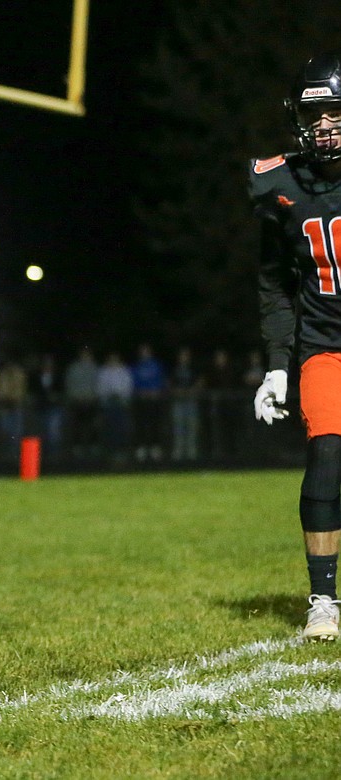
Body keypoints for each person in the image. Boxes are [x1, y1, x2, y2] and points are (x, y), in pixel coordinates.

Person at [250, 51, 341, 642]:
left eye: (337, 113)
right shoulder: (278, 183)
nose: (327, 125)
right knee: (327, 458)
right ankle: (324, 600)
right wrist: (277, 366)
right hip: (325, 343)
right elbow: (274, 282)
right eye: (318, 114)